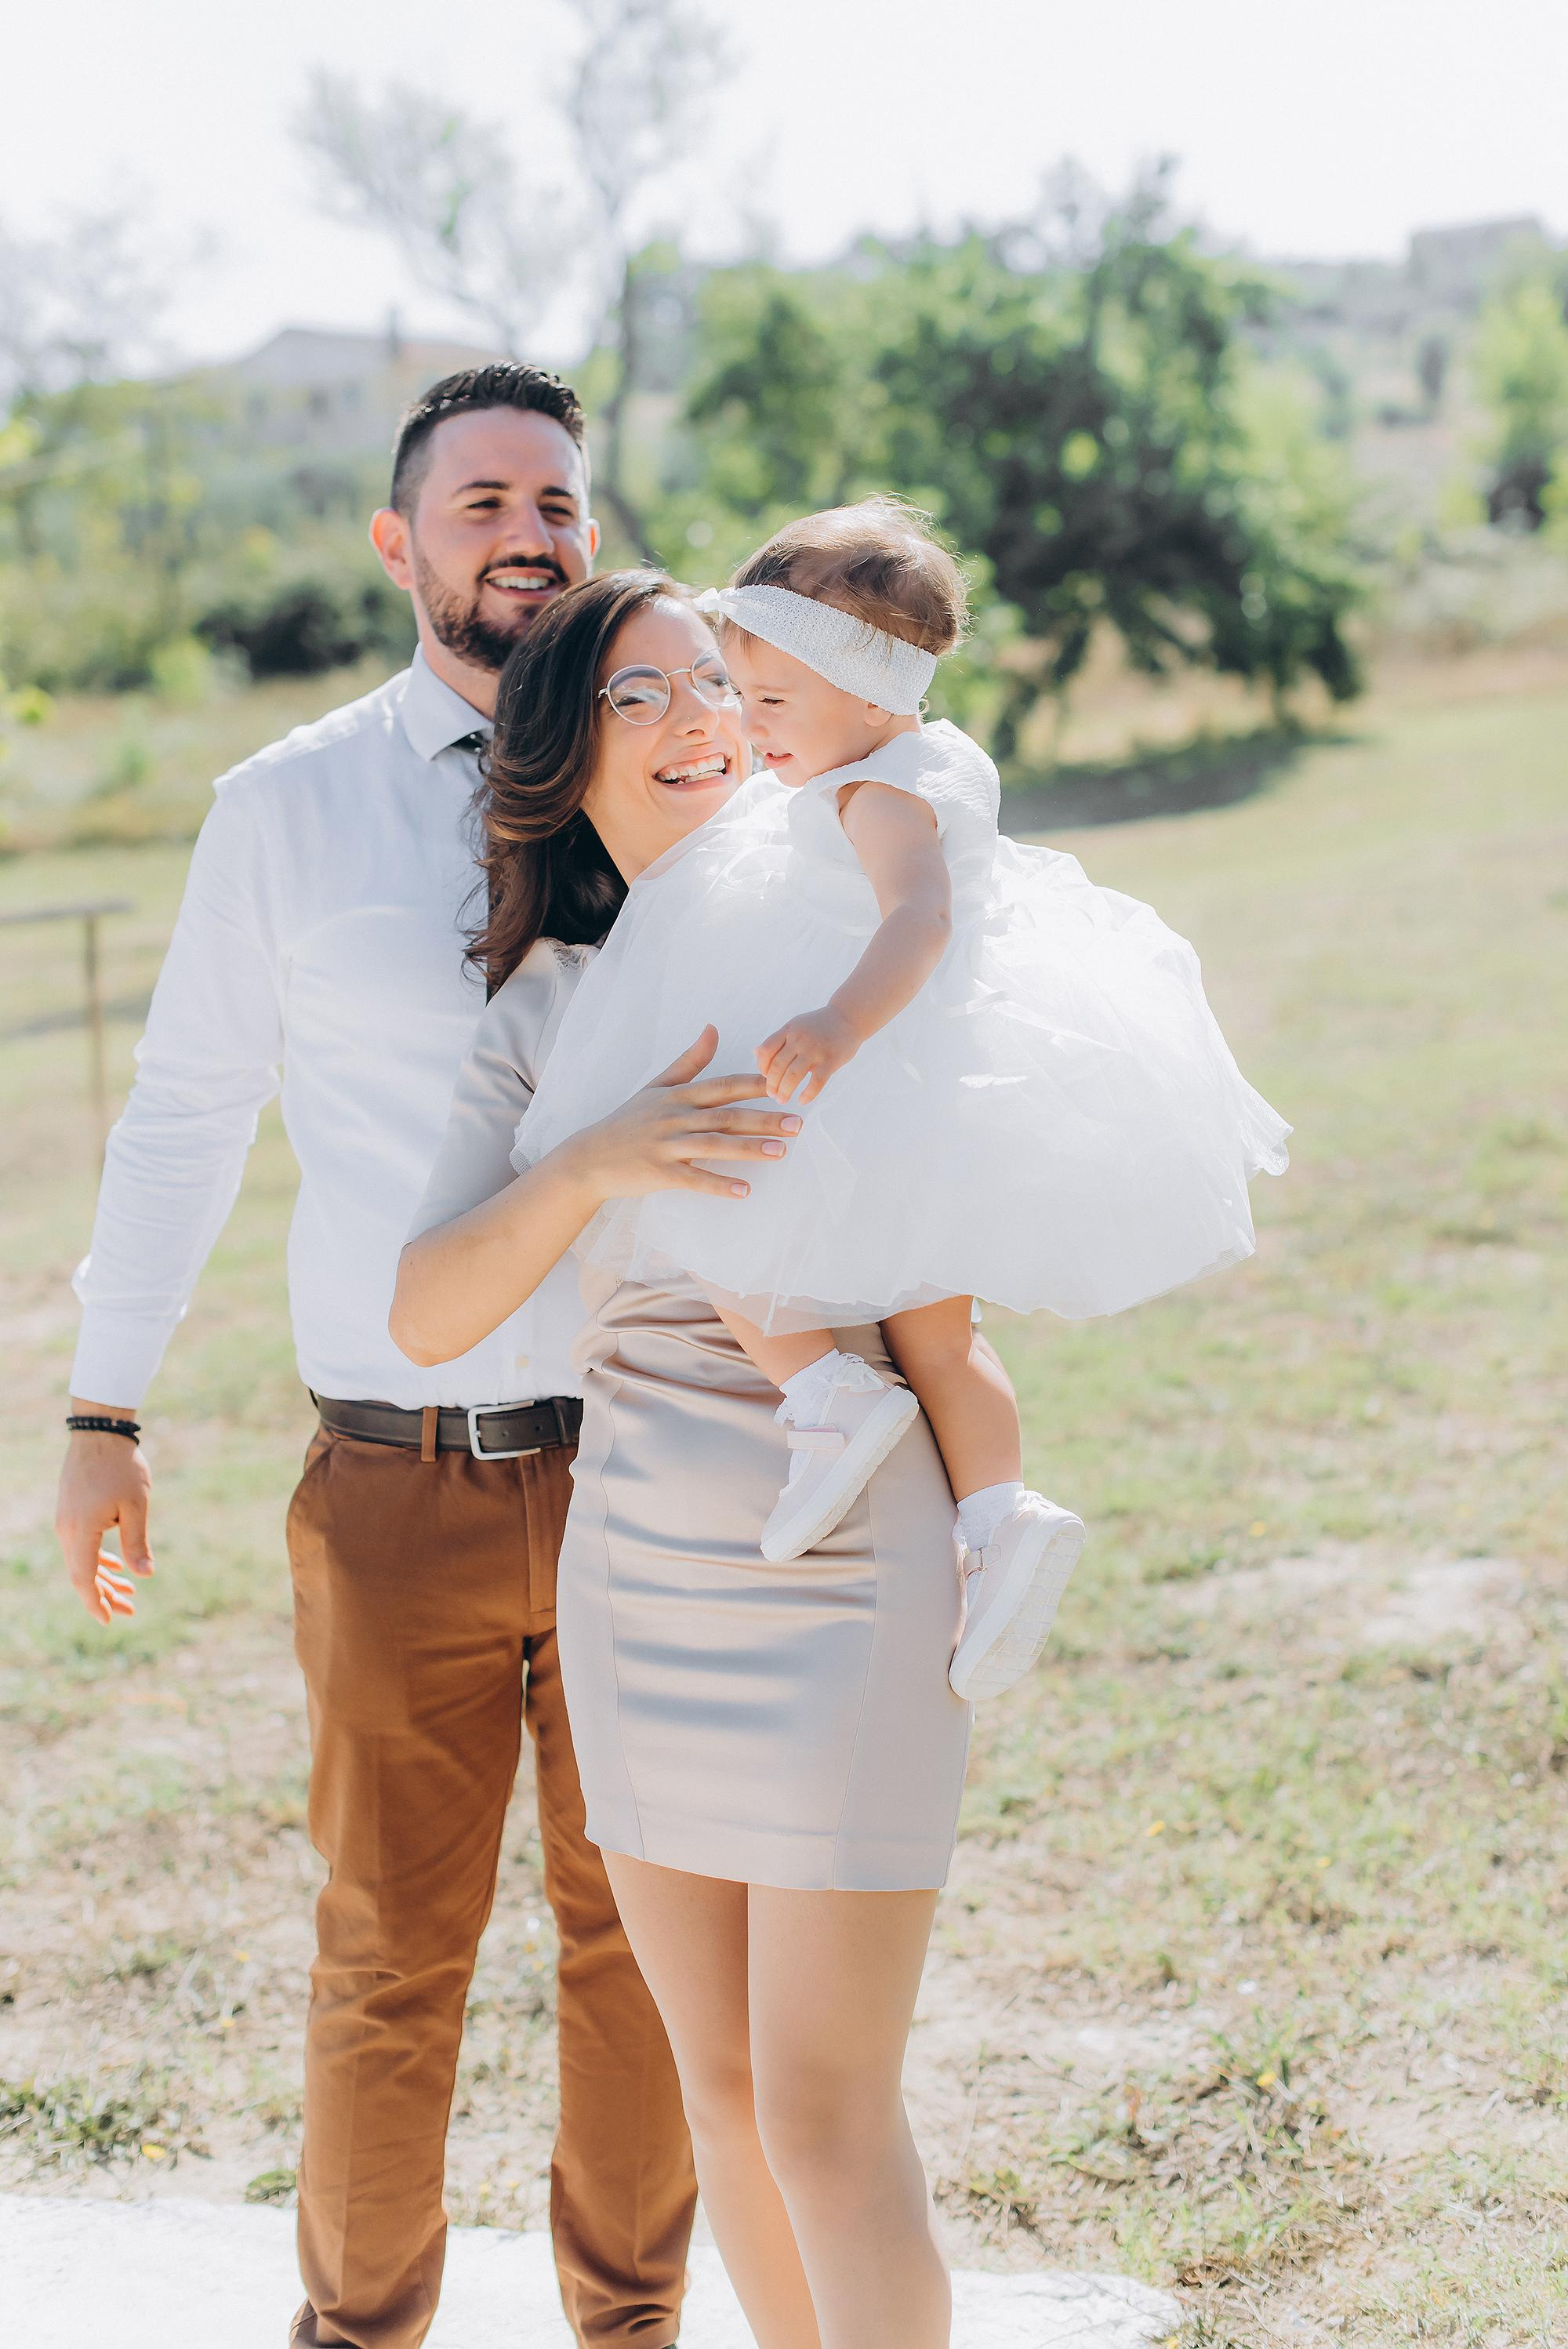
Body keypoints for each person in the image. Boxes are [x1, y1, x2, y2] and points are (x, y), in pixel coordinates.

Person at [50, 365, 754, 2349]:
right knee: (385, 1954)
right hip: (394, 1481)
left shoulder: (691, 788)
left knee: (648, 1951)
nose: (526, 530)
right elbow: (186, 1116)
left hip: (651, 1466)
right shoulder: (280, 814)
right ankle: (358, 2335)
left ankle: (633, 2328)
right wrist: (104, 1409)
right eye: (480, 502)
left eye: (556, 500)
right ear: (400, 543)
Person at [392, 568, 974, 2349]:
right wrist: (592, 1160)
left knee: (821, 2105)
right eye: (636, 698)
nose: (696, 718)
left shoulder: (843, 938)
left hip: (839, 1536)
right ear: (564, 764)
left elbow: (949, 1279)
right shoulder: (542, 1008)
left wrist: (993, 1510)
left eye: (716, 679)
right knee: (719, 2096)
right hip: (635, 1555)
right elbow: (422, 1310)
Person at [512, 499, 1291, 1702]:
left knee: (703, 1194)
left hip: (865, 1056)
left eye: (770, 702)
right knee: (942, 1327)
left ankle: (824, 1392)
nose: (746, 724)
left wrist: (835, 1023)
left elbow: (916, 918)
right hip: (933, 1085)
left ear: (868, 697)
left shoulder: (873, 795)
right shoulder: (924, 756)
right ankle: (997, 1519)